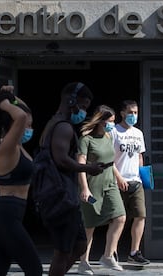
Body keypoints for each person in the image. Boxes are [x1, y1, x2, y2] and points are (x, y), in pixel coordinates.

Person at [37, 82, 104, 276]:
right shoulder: (63, 127)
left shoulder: (55, 123)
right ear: (71, 100)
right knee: (63, 250)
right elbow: (62, 160)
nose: (83, 112)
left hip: (63, 196)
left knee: (80, 244)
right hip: (60, 197)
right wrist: (88, 168)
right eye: (82, 106)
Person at [0, 85, 43, 276]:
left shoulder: (18, 148)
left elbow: (25, 113)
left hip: (9, 217)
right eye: (27, 126)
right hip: (6, 217)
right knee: (34, 269)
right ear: (14, 125)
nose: (29, 128)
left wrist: (10, 96)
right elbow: (21, 116)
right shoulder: (6, 148)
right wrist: (3, 102)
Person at [77, 105, 126, 275]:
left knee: (120, 217)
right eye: (110, 121)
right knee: (89, 225)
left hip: (110, 182)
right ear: (101, 120)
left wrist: (119, 177)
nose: (112, 124)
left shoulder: (107, 136)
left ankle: (107, 256)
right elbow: (81, 165)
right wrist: (84, 188)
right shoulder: (86, 140)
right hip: (92, 184)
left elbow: (110, 162)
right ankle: (83, 262)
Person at [111, 100, 150, 265]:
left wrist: (141, 176)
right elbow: (108, 157)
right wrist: (118, 178)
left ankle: (134, 252)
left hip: (135, 181)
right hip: (118, 180)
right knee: (118, 218)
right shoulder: (114, 131)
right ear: (122, 113)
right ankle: (111, 252)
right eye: (130, 112)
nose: (133, 116)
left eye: (135, 112)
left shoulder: (138, 133)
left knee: (140, 215)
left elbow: (139, 155)